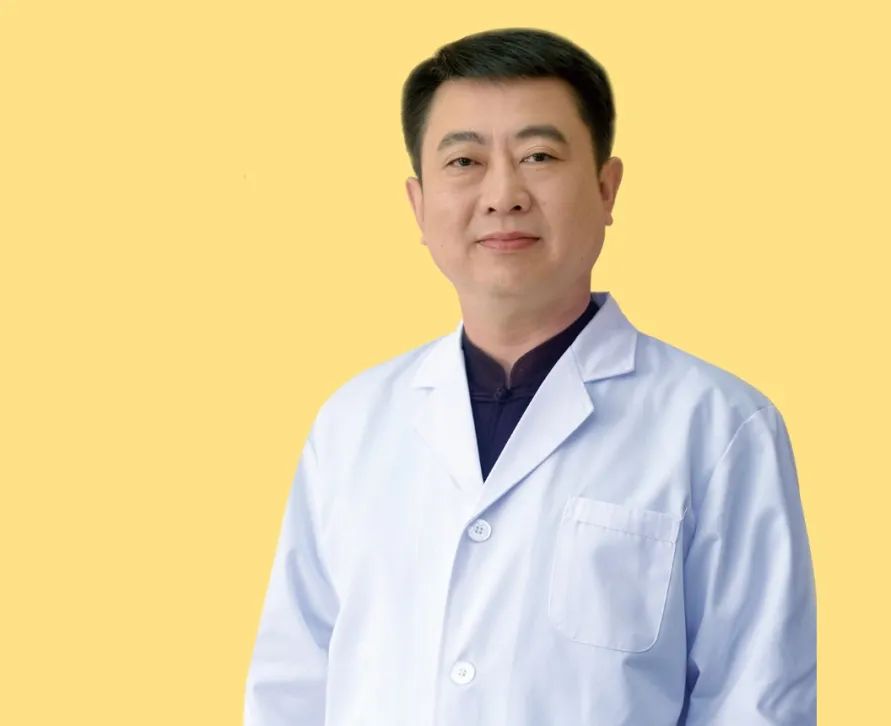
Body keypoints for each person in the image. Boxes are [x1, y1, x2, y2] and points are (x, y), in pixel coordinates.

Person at [244, 27, 816, 726]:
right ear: (418, 205)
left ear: (606, 188)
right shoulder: (351, 424)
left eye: (538, 156)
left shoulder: (719, 426)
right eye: (464, 161)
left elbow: (755, 701)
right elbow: (292, 686)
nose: (502, 194)